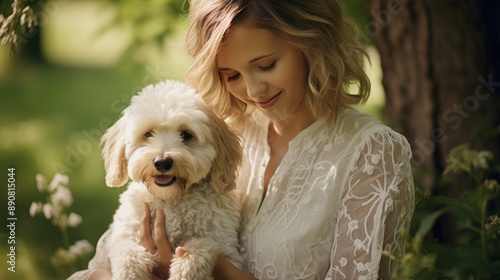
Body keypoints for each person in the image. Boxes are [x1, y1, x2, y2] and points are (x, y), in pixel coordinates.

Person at [69, 0, 415, 279]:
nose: (252, 91)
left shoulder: (372, 153)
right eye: (231, 75)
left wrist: (213, 266)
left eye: (266, 65)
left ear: (312, 43)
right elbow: (99, 268)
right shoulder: (222, 131)